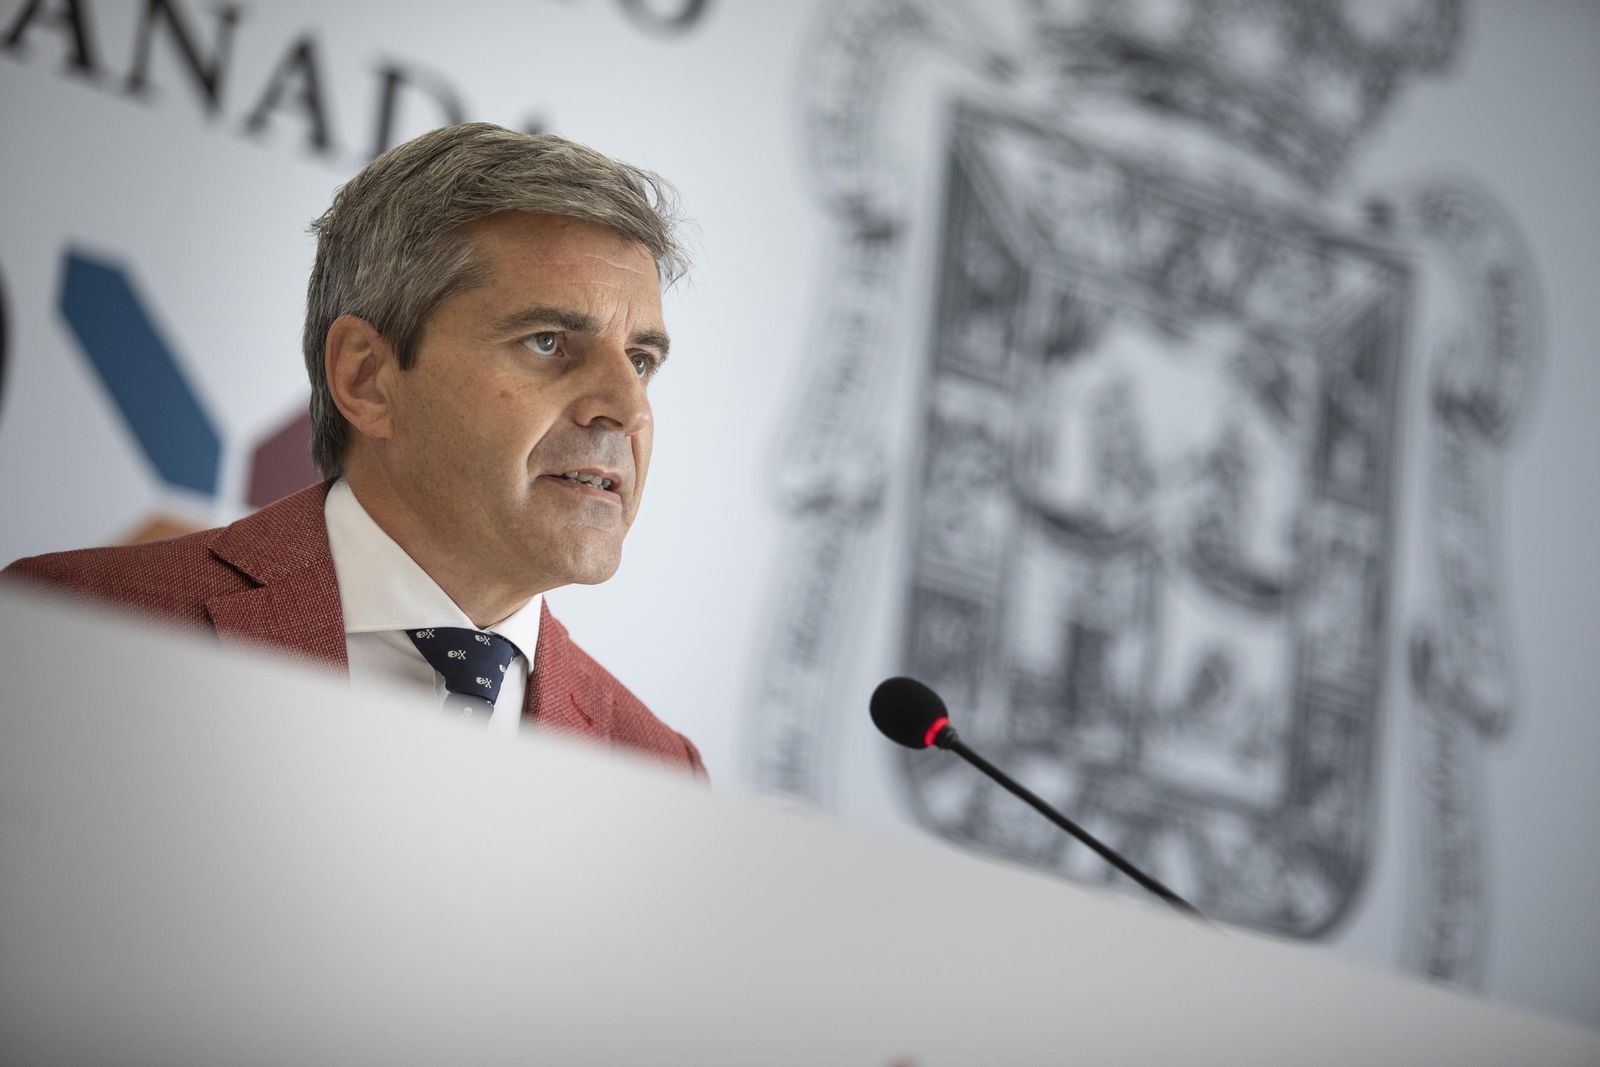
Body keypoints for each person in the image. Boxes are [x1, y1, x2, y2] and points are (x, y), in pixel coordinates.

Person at [2, 123, 704, 774]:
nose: (627, 407)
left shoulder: (659, 771)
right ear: (367, 377)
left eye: (641, 360)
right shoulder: (70, 628)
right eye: (547, 342)